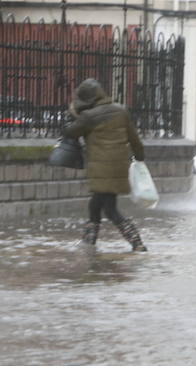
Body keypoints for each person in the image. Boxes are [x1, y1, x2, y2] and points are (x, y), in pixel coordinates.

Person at [62, 78, 147, 252]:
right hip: (118, 167)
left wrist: (70, 115)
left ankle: (136, 242)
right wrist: (139, 158)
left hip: (101, 169)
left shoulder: (89, 117)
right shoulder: (121, 111)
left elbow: (70, 133)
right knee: (96, 204)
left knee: (110, 209)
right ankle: (89, 242)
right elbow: (135, 139)